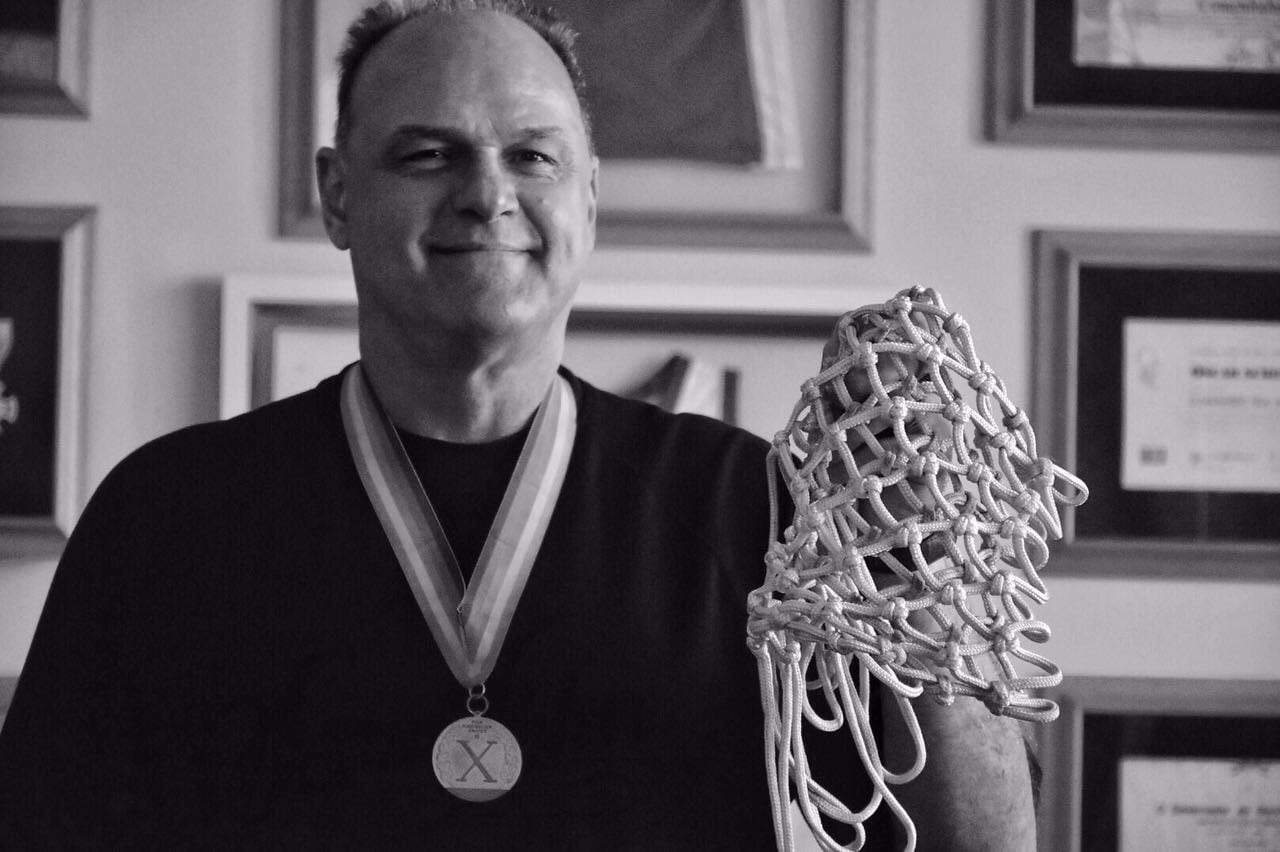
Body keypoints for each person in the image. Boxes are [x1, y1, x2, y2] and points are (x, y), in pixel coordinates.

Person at [0, 1, 1036, 848]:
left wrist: (927, 587)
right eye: (427, 154)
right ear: (337, 196)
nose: (486, 193)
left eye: (533, 156)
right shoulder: (167, 517)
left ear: (589, 197)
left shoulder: (762, 512)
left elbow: (976, 845)